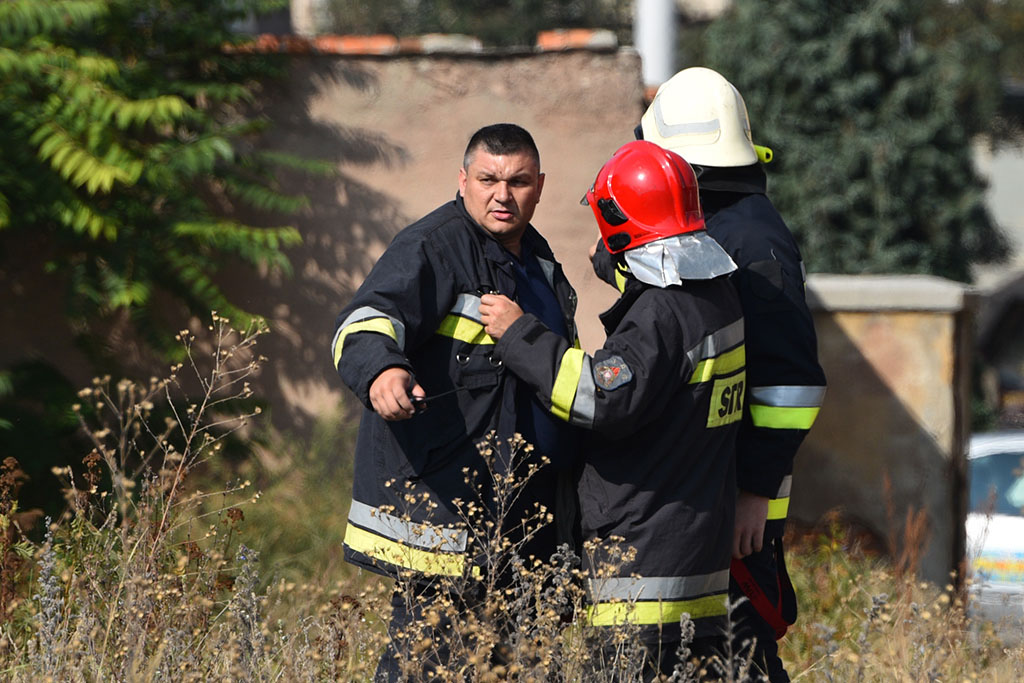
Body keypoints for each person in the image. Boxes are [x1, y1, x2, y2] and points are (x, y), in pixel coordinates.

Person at [480, 140, 745, 679]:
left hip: (644, 567)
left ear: (623, 225)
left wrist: (518, 335)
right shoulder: (718, 296)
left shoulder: (660, 316)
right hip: (700, 562)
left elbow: (599, 397)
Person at [330, 123, 579, 680]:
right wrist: (383, 371)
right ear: (462, 180)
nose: (502, 194)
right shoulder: (432, 245)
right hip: (451, 505)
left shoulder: (538, 259)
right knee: (432, 664)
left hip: (530, 512)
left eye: (517, 181)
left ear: (539, 186)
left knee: (522, 668)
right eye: (488, 179)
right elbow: (366, 321)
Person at [637, 66, 828, 682]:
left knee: (737, 654)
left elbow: (791, 383)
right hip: (704, 487)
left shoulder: (749, 239)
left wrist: (757, 489)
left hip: (738, 499)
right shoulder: (706, 219)